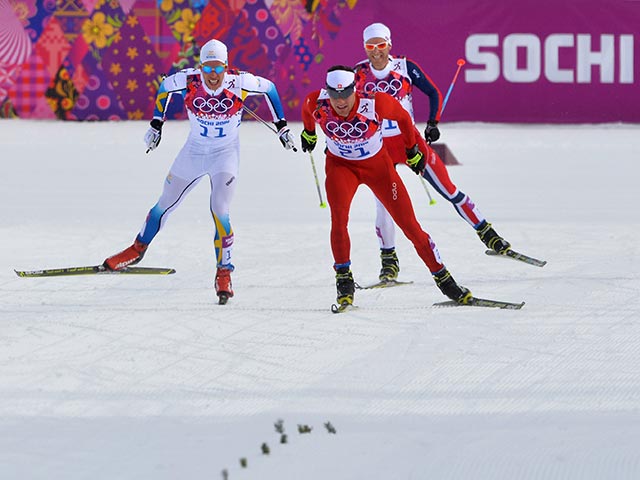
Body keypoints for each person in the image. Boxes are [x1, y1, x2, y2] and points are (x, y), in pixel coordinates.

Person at [103, 38, 295, 304]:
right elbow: (164, 87)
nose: (213, 75)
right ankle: (137, 249)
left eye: (218, 69)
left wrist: (282, 126)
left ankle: (224, 272)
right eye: (207, 68)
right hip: (193, 153)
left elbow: (270, 89)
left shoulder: (240, 82)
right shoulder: (188, 80)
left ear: (226, 67)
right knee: (164, 204)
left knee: (220, 210)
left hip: (225, 155)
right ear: (201, 67)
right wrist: (156, 124)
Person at [300, 65, 473, 308]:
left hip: (379, 169)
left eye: (345, 93)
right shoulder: (316, 101)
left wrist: (412, 150)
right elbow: (307, 111)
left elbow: (403, 118)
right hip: (341, 168)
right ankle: (344, 283)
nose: (340, 101)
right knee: (338, 220)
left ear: (354, 89)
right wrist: (309, 133)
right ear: (327, 91)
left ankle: (446, 282)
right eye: (334, 94)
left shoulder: (374, 102)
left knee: (410, 226)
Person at [354, 22, 511, 282]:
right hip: (379, 148)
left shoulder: (405, 67)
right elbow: (345, 107)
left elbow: (433, 92)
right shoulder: (357, 74)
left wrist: (432, 124)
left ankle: (488, 234)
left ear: (389, 44)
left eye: (381, 45)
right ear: (364, 47)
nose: (376, 51)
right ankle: (389, 262)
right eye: (370, 46)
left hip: (410, 143)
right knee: (384, 205)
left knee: (449, 189)